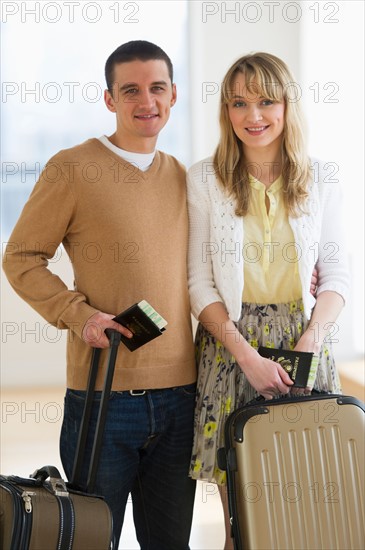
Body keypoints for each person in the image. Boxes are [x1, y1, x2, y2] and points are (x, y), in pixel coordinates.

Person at [2, 40, 197, 549]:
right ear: (110, 99)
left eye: (157, 88)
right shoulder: (72, 167)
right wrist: (78, 314)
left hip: (181, 396)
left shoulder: (184, 177)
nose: (145, 101)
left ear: (173, 95)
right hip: (104, 398)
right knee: (91, 541)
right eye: (130, 90)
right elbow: (21, 257)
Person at [186, 52, 350, 549]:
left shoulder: (320, 177)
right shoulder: (204, 178)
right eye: (239, 103)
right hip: (231, 347)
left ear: (286, 104)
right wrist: (247, 357)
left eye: (265, 101)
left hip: (305, 343)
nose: (253, 116)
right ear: (226, 111)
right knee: (242, 513)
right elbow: (198, 283)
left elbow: (339, 273)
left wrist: (310, 340)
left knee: (307, 502)